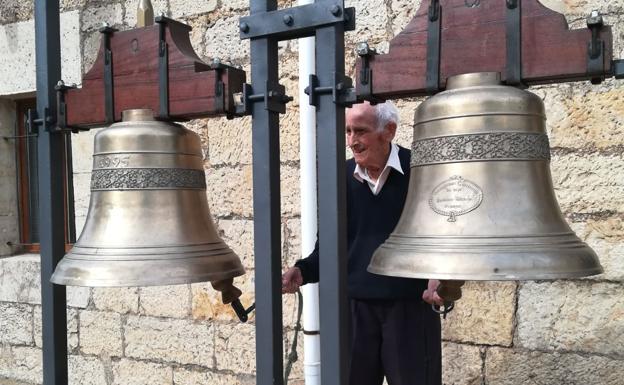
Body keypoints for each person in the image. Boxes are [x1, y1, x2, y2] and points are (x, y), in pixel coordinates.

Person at [282, 100, 446, 385]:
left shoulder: (421, 170)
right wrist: (303, 270)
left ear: (389, 131)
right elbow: (330, 246)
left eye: (360, 131)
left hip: (409, 309)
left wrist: (441, 276)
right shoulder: (339, 178)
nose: (352, 141)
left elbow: (442, 234)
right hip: (354, 311)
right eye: (347, 131)